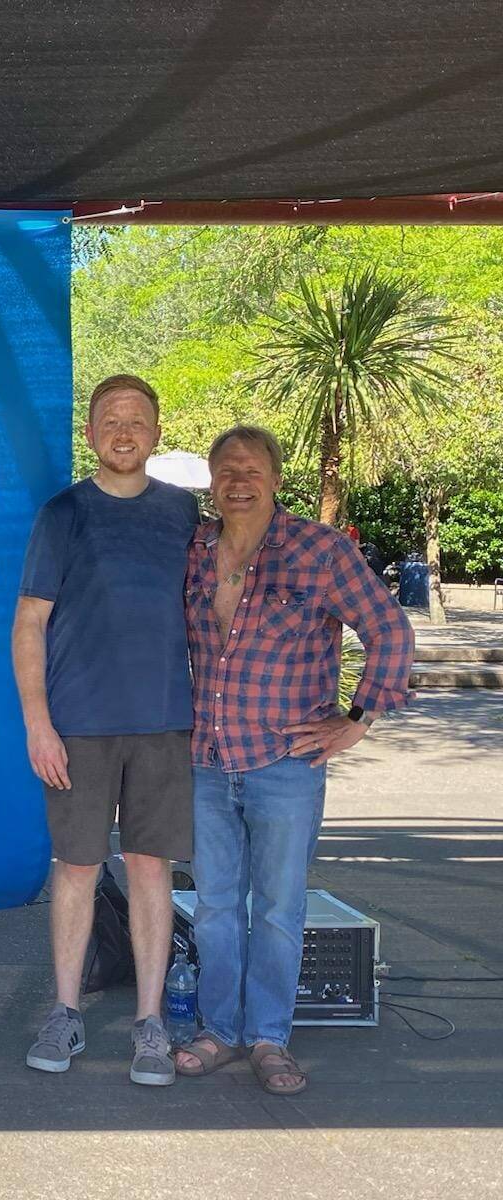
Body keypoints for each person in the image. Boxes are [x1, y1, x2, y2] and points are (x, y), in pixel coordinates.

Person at [173, 425, 413, 1095]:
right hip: (205, 758)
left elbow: (390, 632)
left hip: (285, 763)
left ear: (278, 478)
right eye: (226, 470)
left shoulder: (320, 550)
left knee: (278, 907)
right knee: (215, 905)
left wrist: (357, 719)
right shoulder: (192, 550)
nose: (238, 479)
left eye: (251, 468)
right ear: (213, 483)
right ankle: (219, 1030)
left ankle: (270, 1039)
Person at [14, 374, 201, 1086]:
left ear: (155, 433)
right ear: (90, 434)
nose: (124, 431)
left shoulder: (184, 513)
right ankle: (65, 1013)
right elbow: (30, 621)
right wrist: (39, 723)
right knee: (78, 870)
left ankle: (150, 1024)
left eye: (138, 421)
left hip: (164, 723)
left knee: (152, 870)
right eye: (110, 420)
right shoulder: (63, 514)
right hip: (79, 728)